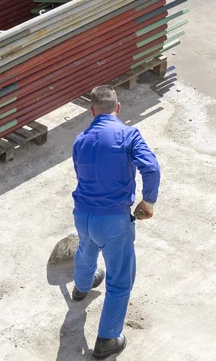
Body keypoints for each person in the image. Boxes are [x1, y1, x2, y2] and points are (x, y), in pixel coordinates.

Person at [71, 85, 161, 359]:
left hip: (82, 215)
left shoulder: (80, 140)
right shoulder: (127, 134)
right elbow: (152, 167)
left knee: (86, 249)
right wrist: (148, 201)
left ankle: (81, 287)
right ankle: (107, 339)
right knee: (120, 280)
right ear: (118, 108)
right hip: (113, 221)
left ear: (91, 111)